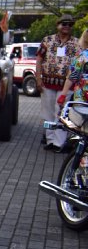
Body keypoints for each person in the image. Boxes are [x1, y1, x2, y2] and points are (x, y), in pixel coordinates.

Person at [37, 14, 80, 152]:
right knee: (48, 113)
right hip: (47, 83)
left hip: (66, 85)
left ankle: (58, 143)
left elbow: (79, 63)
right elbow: (39, 59)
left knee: (60, 112)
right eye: (64, 23)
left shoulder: (76, 43)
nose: (67, 26)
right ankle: (50, 140)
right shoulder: (47, 40)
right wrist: (38, 78)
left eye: (70, 24)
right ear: (58, 25)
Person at [56, 29, 88, 126]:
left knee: (81, 126)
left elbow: (72, 77)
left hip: (82, 98)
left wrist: (63, 95)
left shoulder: (83, 56)